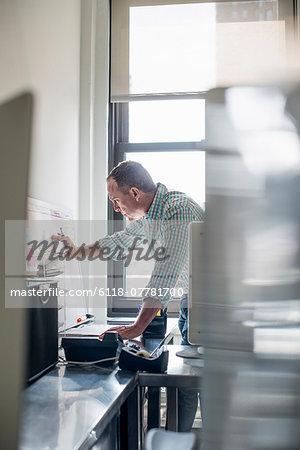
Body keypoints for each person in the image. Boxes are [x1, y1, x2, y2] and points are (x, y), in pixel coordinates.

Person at [52, 160, 204, 431]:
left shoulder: (178, 210)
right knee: (187, 388)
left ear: (134, 193)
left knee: (212, 387)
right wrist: (76, 252)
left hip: (213, 307)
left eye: (115, 199)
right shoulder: (151, 217)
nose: (115, 207)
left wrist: (137, 326)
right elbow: (118, 243)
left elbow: (165, 275)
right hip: (190, 304)